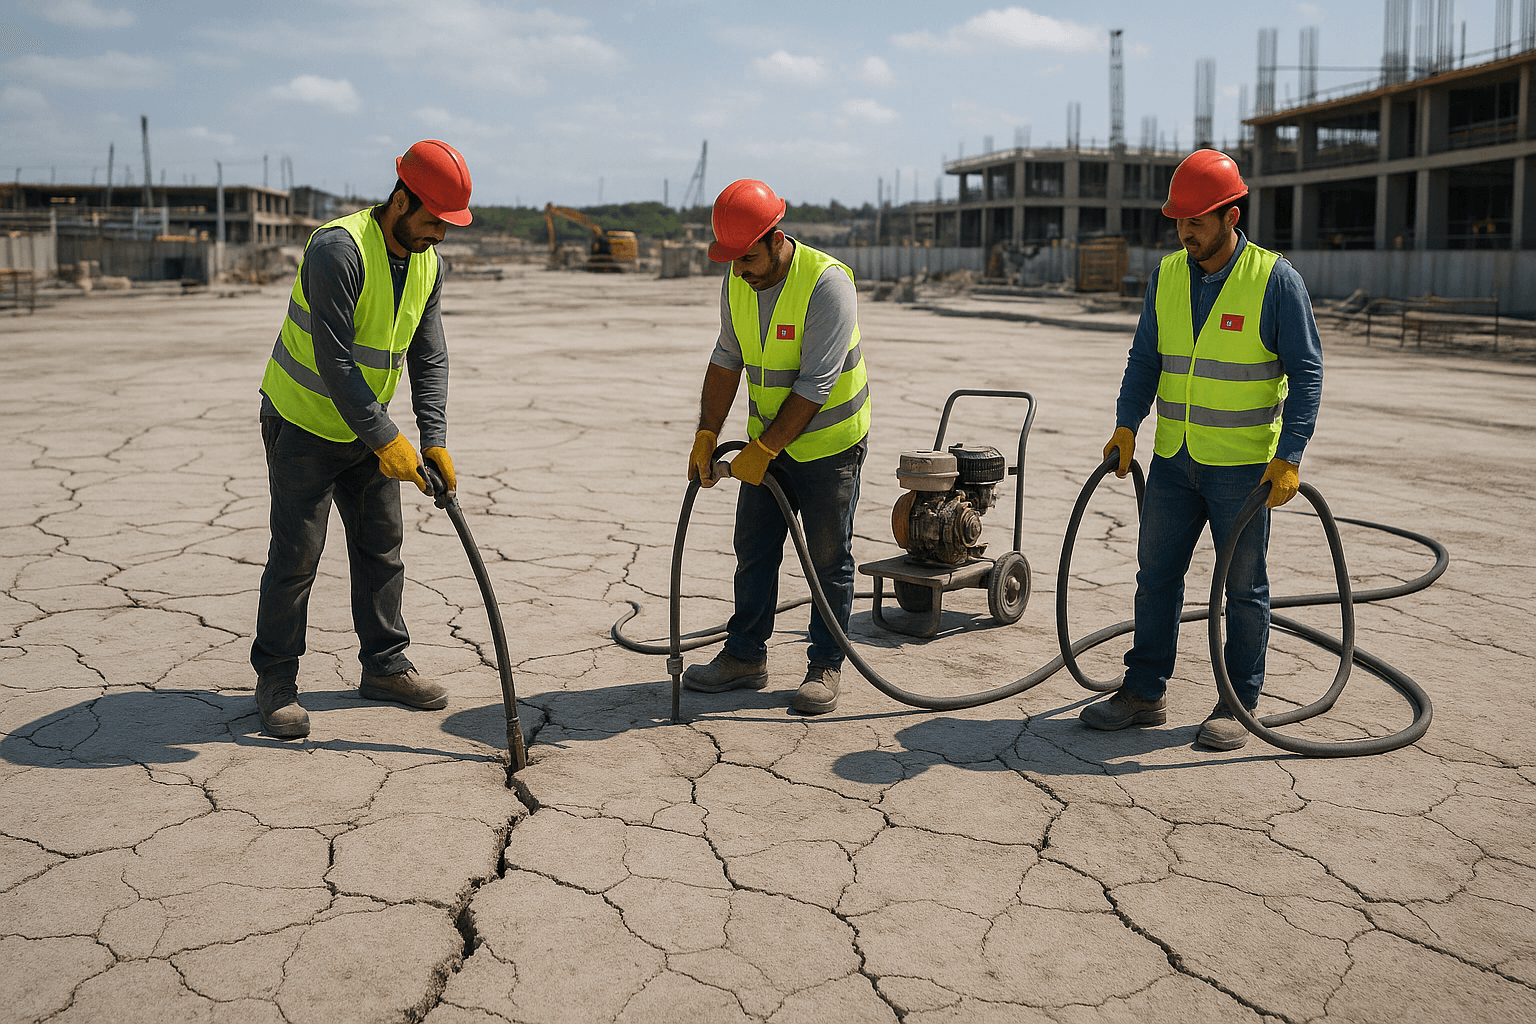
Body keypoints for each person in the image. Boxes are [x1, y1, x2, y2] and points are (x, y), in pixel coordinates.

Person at [1079, 149, 1324, 751]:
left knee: (1243, 587)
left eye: (1198, 219)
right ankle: (1144, 691)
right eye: (1180, 220)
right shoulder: (1167, 276)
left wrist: (1289, 454)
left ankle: (1238, 702)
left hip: (1242, 468)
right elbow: (1145, 359)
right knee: (1156, 577)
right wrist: (1126, 424)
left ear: (1230, 215)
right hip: (1173, 461)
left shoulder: (1274, 280)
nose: (1186, 230)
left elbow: (1307, 372)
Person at [250, 139, 473, 738]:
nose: (439, 235)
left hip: (367, 430)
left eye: (448, 226)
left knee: (381, 548)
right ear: (401, 200)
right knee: (297, 556)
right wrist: (386, 438)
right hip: (301, 421)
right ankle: (275, 680)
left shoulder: (429, 262)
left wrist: (434, 438)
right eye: (432, 221)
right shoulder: (337, 249)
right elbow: (335, 360)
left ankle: (385, 667)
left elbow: (430, 355)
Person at [683, 179, 870, 715]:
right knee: (755, 549)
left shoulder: (827, 284)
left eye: (747, 258)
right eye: (733, 260)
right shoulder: (737, 278)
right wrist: (707, 434)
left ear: (776, 237)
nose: (739, 269)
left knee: (828, 557)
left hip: (830, 443)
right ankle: (745, 657)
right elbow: (726, 358)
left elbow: (816, 384)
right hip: (769, 440)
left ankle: (825, 664)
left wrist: (763, 450)